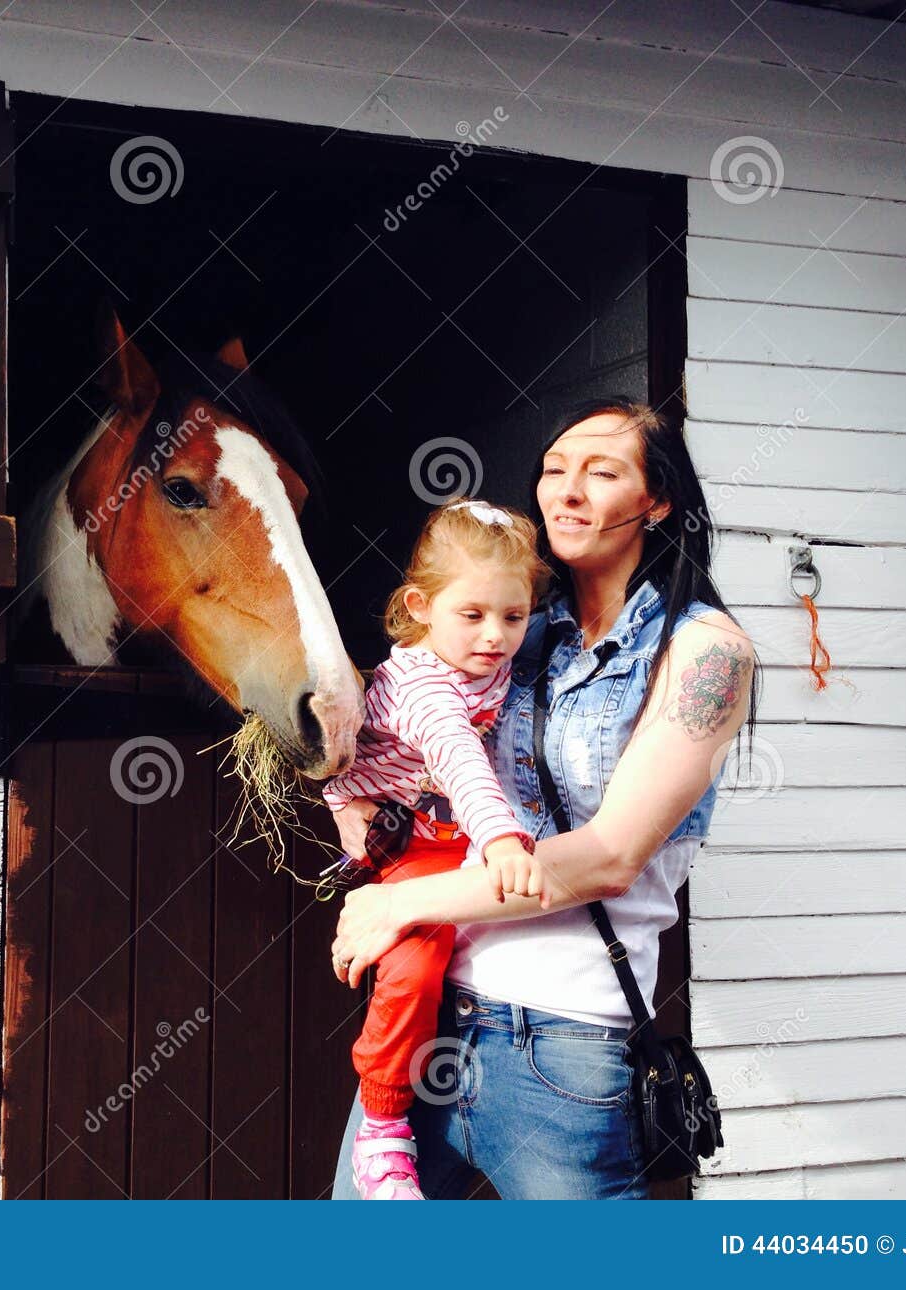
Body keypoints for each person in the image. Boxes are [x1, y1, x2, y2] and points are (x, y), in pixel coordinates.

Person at [327, 398, 757, 1199]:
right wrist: (346, 788)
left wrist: (399, 905)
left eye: (601, 473)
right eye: (555, 470)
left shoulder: (707, 653)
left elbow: (610, 857)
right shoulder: (510, 627)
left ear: (656, 500)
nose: (566, 490)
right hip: (428, 1016)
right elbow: (402, 705)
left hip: (559, 1047)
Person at [319, 497, 551, 1199]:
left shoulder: (498, 650)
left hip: (451, 828)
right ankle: (384, 1130)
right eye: (473, 615)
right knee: (415, 961)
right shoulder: (424, 689)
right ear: (419, 605)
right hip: (421, 834)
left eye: (514, 617)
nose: (496, 636)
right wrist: (503, 838)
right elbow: (459, 760)